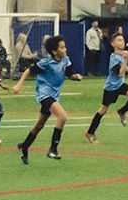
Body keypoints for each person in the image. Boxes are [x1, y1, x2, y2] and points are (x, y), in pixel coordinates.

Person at [12, 33, 81, 161]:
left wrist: (75, 77)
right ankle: (53, 149)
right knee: (62, 117)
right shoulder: (46, 62)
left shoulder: (65, 60)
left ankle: (25, 146)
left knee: (40, 125)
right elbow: (29, 70)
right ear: (54, 51)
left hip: (54, 95)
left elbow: (69, 74)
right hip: (45, 94)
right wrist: (19, 84)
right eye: (62, 48)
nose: (65, 49)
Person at [84, 32, 128, 141]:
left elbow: (122, 67)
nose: (122, 42)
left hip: (120, 85)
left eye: (122, 40)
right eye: (119, 40)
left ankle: (122, 111)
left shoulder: (121, 55)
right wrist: (126, 60)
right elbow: (120, 74)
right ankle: (90, 132)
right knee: (103, 110)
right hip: (111, 87)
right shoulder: (114, 57)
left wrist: (127, 68)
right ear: (113, 44)